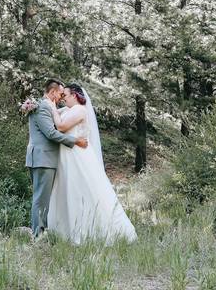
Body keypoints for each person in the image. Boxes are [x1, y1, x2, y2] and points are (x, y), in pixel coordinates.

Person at [47, 83, 137, 243]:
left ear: (74, 95)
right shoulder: (68, 110)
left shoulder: (80, 110)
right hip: (67, 156)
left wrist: (52, 105)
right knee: (68, 191)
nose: (62, 99)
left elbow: (61, 126)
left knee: (84, 191)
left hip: (78, 157)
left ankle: (97, 230)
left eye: (65, 95)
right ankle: (66, 231)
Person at [26, 79, 88, 239]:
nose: (61, 97)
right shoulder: (43, 107)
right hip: (43, 158)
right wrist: (76, 141)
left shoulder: (48, 107)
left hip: (44, 158)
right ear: (52, 92)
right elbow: (51, 133)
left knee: (43, 198)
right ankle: (37, 236)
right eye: (60, 93)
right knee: (41, 199)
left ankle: (41, 231)